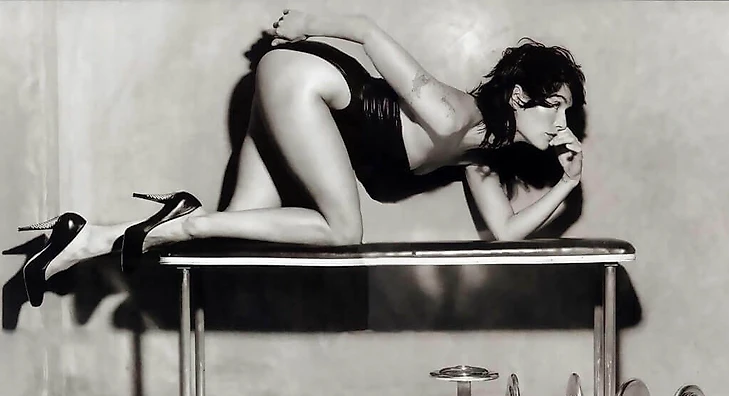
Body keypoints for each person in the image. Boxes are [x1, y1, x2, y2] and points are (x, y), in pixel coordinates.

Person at [17, 9, 586, 307]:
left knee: (232, 236)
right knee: (342, 232)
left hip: (300, 96)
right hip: (307, 78)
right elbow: (365, 31)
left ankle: (83, 239)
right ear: (519, 98)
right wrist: (308, 25)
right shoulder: (453, 113)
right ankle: (185, 219)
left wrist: (566, 183)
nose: (563, 124)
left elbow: (503, 235)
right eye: (556, 107)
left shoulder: (478, 157)